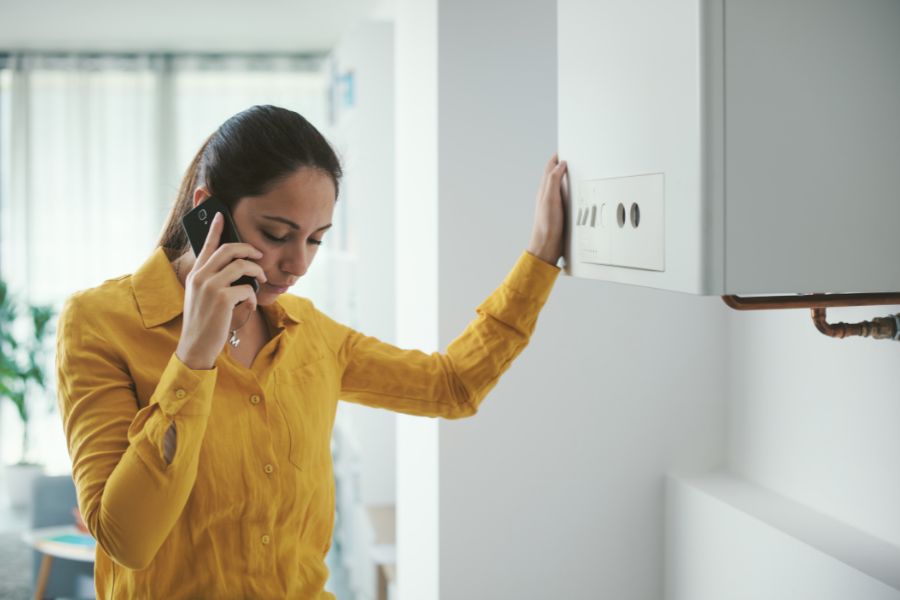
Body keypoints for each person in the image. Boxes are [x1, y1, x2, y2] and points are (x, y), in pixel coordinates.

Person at [55, 104, 566, 599]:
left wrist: (540, 257)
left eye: (316, 240)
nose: (297, 264)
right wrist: (194, 357)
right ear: (206, 209)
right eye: (277, 234)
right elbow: (127, 540)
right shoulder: (100, 324)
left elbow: (451, 387)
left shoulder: (311, 335)